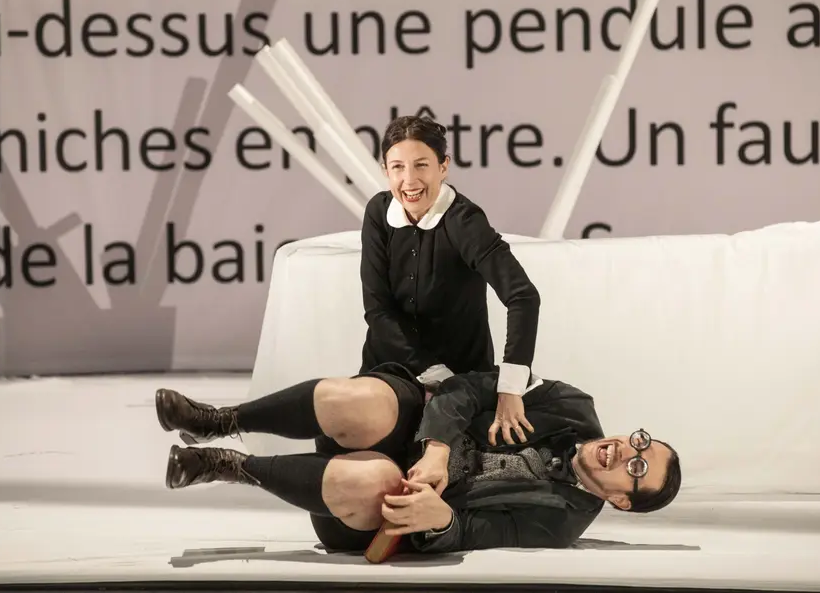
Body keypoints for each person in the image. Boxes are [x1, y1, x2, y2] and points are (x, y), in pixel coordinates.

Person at [154, 364, 681, 553]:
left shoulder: (560, 524)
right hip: (410, 425)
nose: (625, 451)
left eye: (636, 468)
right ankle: (218, 420)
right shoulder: (573, 405)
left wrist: (442, 519)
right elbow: (469, 388)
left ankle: (225, 466)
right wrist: (438, 446)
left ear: (621, 501)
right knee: (362, 398)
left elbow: (474, 534)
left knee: (381, 482)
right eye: (640, 442)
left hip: (365, 509)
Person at [360, 115, 541, 445]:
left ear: (443, 166)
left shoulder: (465, 221)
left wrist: (511, 387)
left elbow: (523, 296)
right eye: (398, 167)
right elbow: (378, 311)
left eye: (421, 165)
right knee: (341, 439)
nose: (409, 180)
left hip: (461, 383)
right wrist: (433, 372)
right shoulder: (378, 212)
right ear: (385, 170)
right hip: (388, 370)